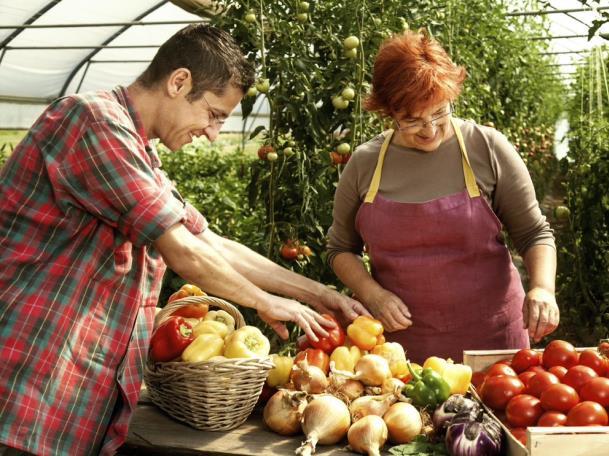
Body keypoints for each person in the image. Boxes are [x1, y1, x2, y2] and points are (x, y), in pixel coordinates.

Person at [0, 24, 368, 456]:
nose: (212, 133)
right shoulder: (92, 122)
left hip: (65, 390)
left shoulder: (140, 149)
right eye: (214, 114)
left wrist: (320, 295)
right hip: (29, 378)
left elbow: (208, 241)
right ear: (179, 82)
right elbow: (182, 250)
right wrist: (264, 301)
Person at [326, 29, 559, 365]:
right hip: (399, 350)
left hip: (492, 342)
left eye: (440, 112)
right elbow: (339, 249)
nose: (430, 130)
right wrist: (372, 294)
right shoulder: (365, 163)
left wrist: (542, 288)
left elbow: (534, 233)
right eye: (412, 120)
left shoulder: (487, 148)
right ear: (388, 112)